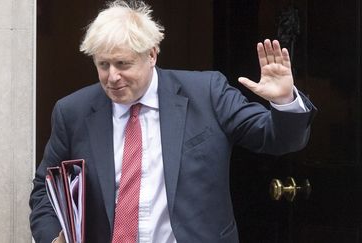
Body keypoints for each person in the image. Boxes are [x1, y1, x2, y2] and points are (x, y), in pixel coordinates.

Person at [29, 1, 316, 242]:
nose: (112, 76)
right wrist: (53, 237)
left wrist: (284, 101)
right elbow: (45, 188)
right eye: (103, 65)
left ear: (152, 54)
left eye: (123, 64)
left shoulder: (207, 93)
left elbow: (276, 139)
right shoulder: (73, 112)